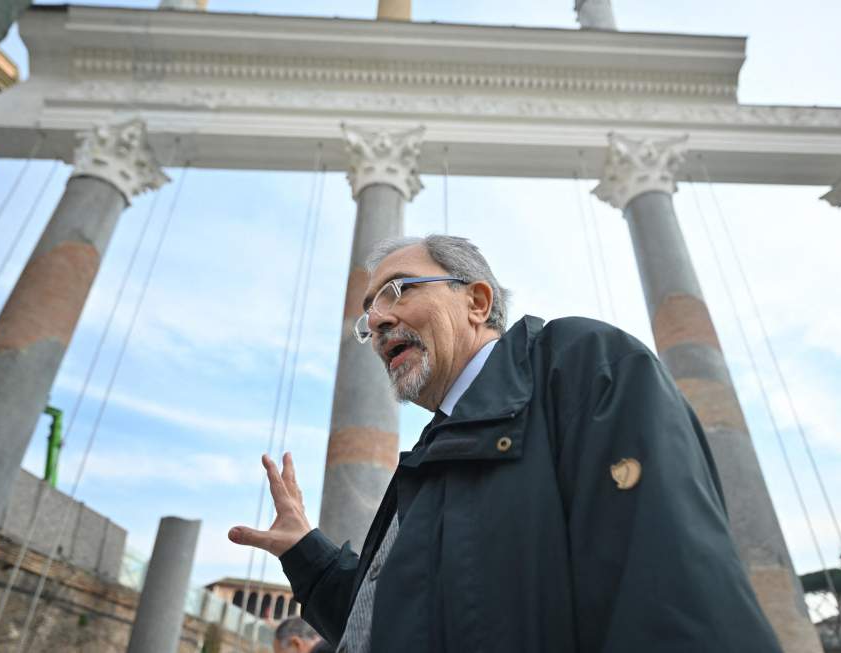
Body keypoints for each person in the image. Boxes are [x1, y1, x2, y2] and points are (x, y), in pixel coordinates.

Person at [229, 235, 784, 652]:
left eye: (395, 291)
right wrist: (306, 551)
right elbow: (386, 622)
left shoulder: (579, 365)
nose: (375, 321)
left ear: (476, 299)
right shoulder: (433, 453)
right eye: (367, 317)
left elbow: (675, 597)